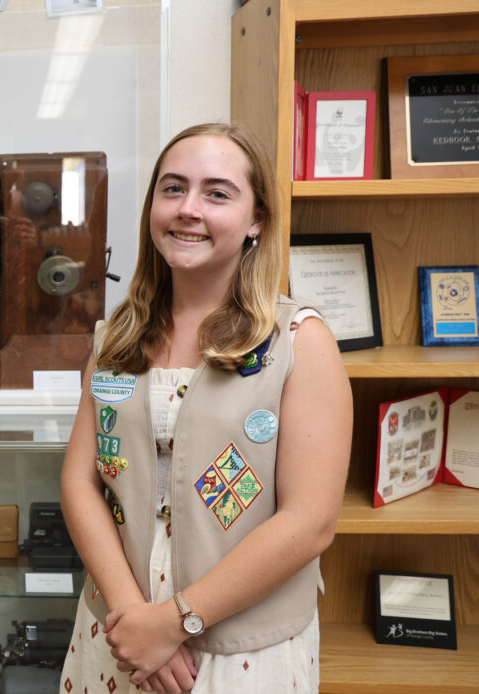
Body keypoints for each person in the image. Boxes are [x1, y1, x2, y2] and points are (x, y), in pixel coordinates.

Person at [59, 122, 351, 694]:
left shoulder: (300, 342)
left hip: (236, 654)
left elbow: (309, 522)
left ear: (256, 220)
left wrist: (174, 623)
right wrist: (134, 620)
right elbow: (80, 482)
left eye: (217, 193)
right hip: (118, 637)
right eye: (173, 189)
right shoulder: (115, 339)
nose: (188, 208)